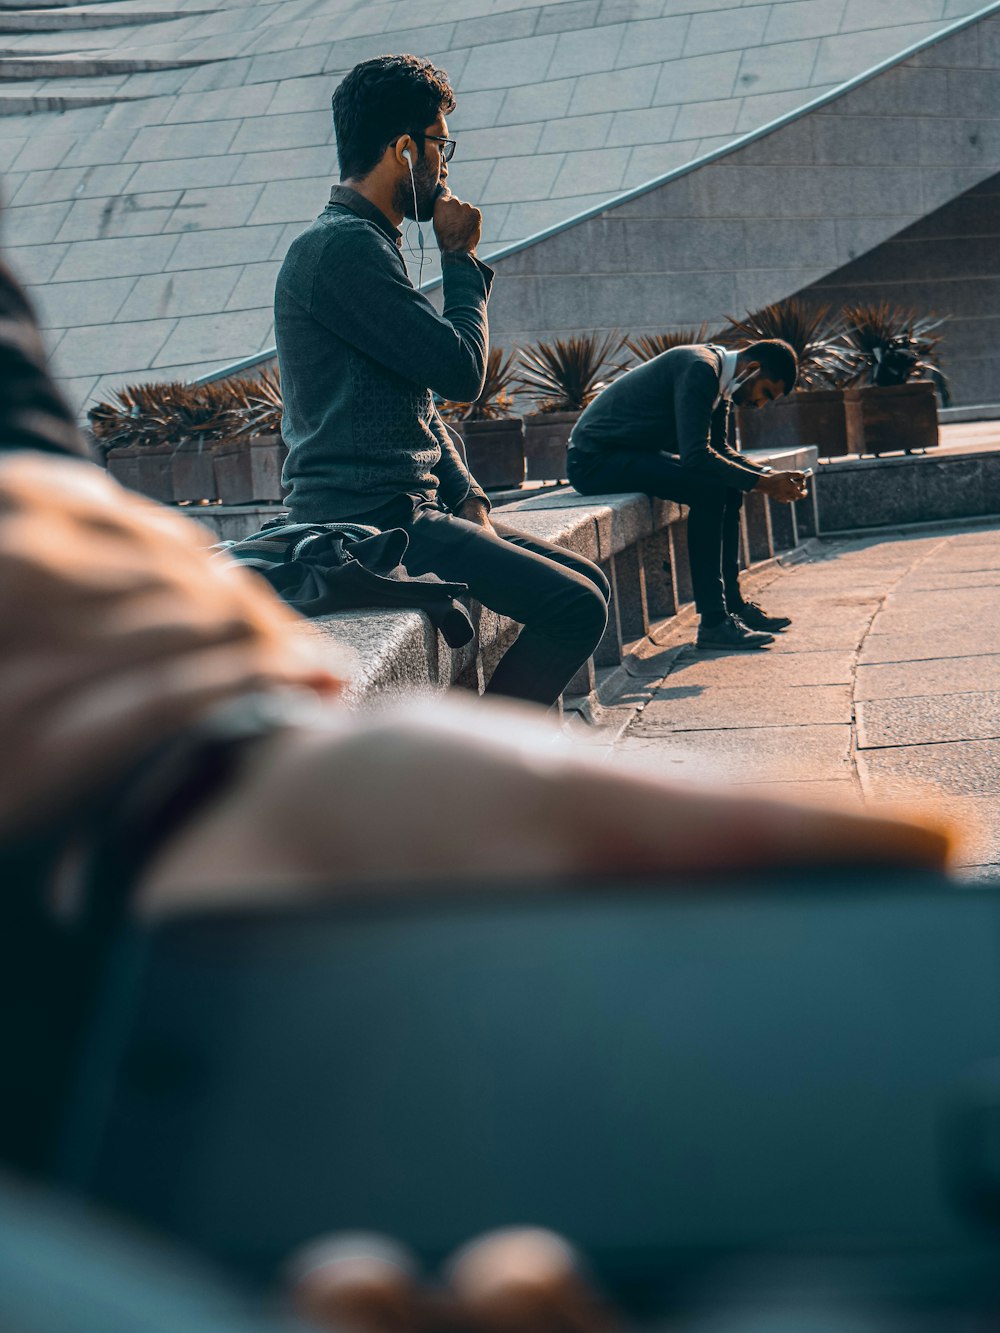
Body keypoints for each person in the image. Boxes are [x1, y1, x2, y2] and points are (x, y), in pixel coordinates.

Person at [273, 54, 609, 708]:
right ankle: (481, 784)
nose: (445, 164)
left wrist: (472, 499)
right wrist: (461, 257)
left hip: (408, 509)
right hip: (368, 523)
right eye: (438, 144)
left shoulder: (369, 242)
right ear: (403, 150)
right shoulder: (340, 247)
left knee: (586, 582)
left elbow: (417, 409)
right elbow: (460, 372)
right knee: (573, 609)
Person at [566, 340, 807, 651]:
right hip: (592, 461)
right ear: (752, 370)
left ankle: (732, 606)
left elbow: (719, 451)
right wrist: (764, 483)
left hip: (625, 454)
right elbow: (696, 456)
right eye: (765, 393)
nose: (759, 405)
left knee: (728, 487)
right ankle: (713, 622)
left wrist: (766, 476)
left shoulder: (721, 380)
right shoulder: (700, 369)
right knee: (708, 490)